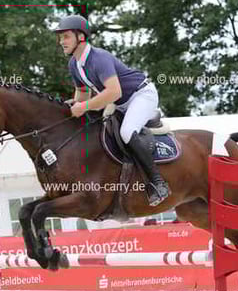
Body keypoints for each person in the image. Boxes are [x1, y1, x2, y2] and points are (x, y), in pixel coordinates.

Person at [54, 14, 171, 207]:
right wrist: (73, 106)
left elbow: (114, 92)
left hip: (141, 94)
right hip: (121, 103)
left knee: (127, 132)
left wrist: (84, 107)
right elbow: (82, 93)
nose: (61, 42)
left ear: (80, 37)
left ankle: (158, 183)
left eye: (66, 36)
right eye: (60, 37)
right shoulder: (74, 64)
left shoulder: (99, 58)